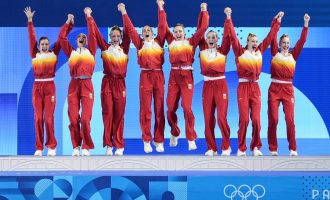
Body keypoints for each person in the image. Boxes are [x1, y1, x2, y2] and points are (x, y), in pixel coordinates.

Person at [227, 7, 283, 156]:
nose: (256, 43)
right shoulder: (240, 51)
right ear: (247, 42)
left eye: (257, 41)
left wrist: (277, 21)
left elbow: (271, 36)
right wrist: (228, 17)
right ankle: (241, 148)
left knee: (256, 120)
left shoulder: (260, 51)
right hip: (243, 87)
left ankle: (256, 147)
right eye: (253, 41)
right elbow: (233, 36)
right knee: (244, 120)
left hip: (255, 87)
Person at [119, 0, 166, 153]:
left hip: (158, 75)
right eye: (144, 30)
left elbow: (162, 24)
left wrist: (160, 7)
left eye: (148, 30)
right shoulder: (139, 44)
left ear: (153, 33)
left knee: (159, 109)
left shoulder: (159, 41)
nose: (146, 31)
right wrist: (124, 12)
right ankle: (147, 139)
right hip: (145, 77)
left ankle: (159, 140)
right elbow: (131, 29)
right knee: (145, 110)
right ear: (142, 34)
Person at [164, 3, 209, 151]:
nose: (177, 33)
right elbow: (163, 25)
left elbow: (202, 29)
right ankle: (174, 132)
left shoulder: (191, 42)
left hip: (187, 77)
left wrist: (204, 11)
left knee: (187, 107)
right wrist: (161, 8)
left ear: (184, 32)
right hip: (173, 76)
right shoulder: (170, 42)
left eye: (180, 31)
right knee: (170, 108)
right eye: (175, 31)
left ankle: (191, 138)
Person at [24, 6, 68, 156]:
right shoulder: (34, 53)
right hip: (37, 86)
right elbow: (31, 37)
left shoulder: (54, 53)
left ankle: (51, 146)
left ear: (49, 45)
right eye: (42, 44)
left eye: (46, 44)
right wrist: (30, 20)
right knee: (38, 119)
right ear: (38, 45)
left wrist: (68, 22)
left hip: (50, 87)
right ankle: (38, 147)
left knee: (48, 118)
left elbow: (62, 36)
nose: (44, 46)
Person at [90, 6, 130, 156]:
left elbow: (129, 30)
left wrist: (123, 12)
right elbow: (96, 33)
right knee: (108, 114)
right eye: (112, 36)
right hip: (107, 83)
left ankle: (119, 144)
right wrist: (89, 16)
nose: (115, 38)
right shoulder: (105, 48)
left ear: (120, 37)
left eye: (117, 36)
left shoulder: (125, 48)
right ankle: (108, 145)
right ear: (110, 37)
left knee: (119, 115)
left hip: (120, 84)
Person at [268, 14, 310, 156]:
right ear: (279, 44)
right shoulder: (274, 53)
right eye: (283, 42)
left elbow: (302, 40)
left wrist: (305, 23)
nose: (285, 44)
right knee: (273, 119)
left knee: (290, 120)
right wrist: (277, 21)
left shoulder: (294, 55)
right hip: (274, 89)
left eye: (287, 42)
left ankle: (293, 148)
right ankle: (273, 148)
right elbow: (273, 35)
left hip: (287, 89)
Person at [59, 8, 97, 156]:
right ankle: (76, 146)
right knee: (73, 118)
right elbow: (62, 38)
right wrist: (69, 23)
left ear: (86, 41)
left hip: (87, 84)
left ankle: (86, 146)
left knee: (86, 118)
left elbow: (93, 33)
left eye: (84, 37)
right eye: (79, 37)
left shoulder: (91, 51)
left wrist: (88, 16)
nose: (82, 38)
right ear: (76, 41)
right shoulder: (71, 52)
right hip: (74, 85)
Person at [198, 8, 231, 156]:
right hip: (207, 86)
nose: (211, 39)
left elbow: (227, 36)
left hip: (220, 84)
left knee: (221, 117)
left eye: (214, 37)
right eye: (209, 37)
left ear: (217, 39)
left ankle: (226, 146)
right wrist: (204, 11)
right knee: (208, 118)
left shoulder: (223, 50)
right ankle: (211, 148)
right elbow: (201, 28)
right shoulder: (202, 49)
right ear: (206, 39)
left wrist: (228, 18)